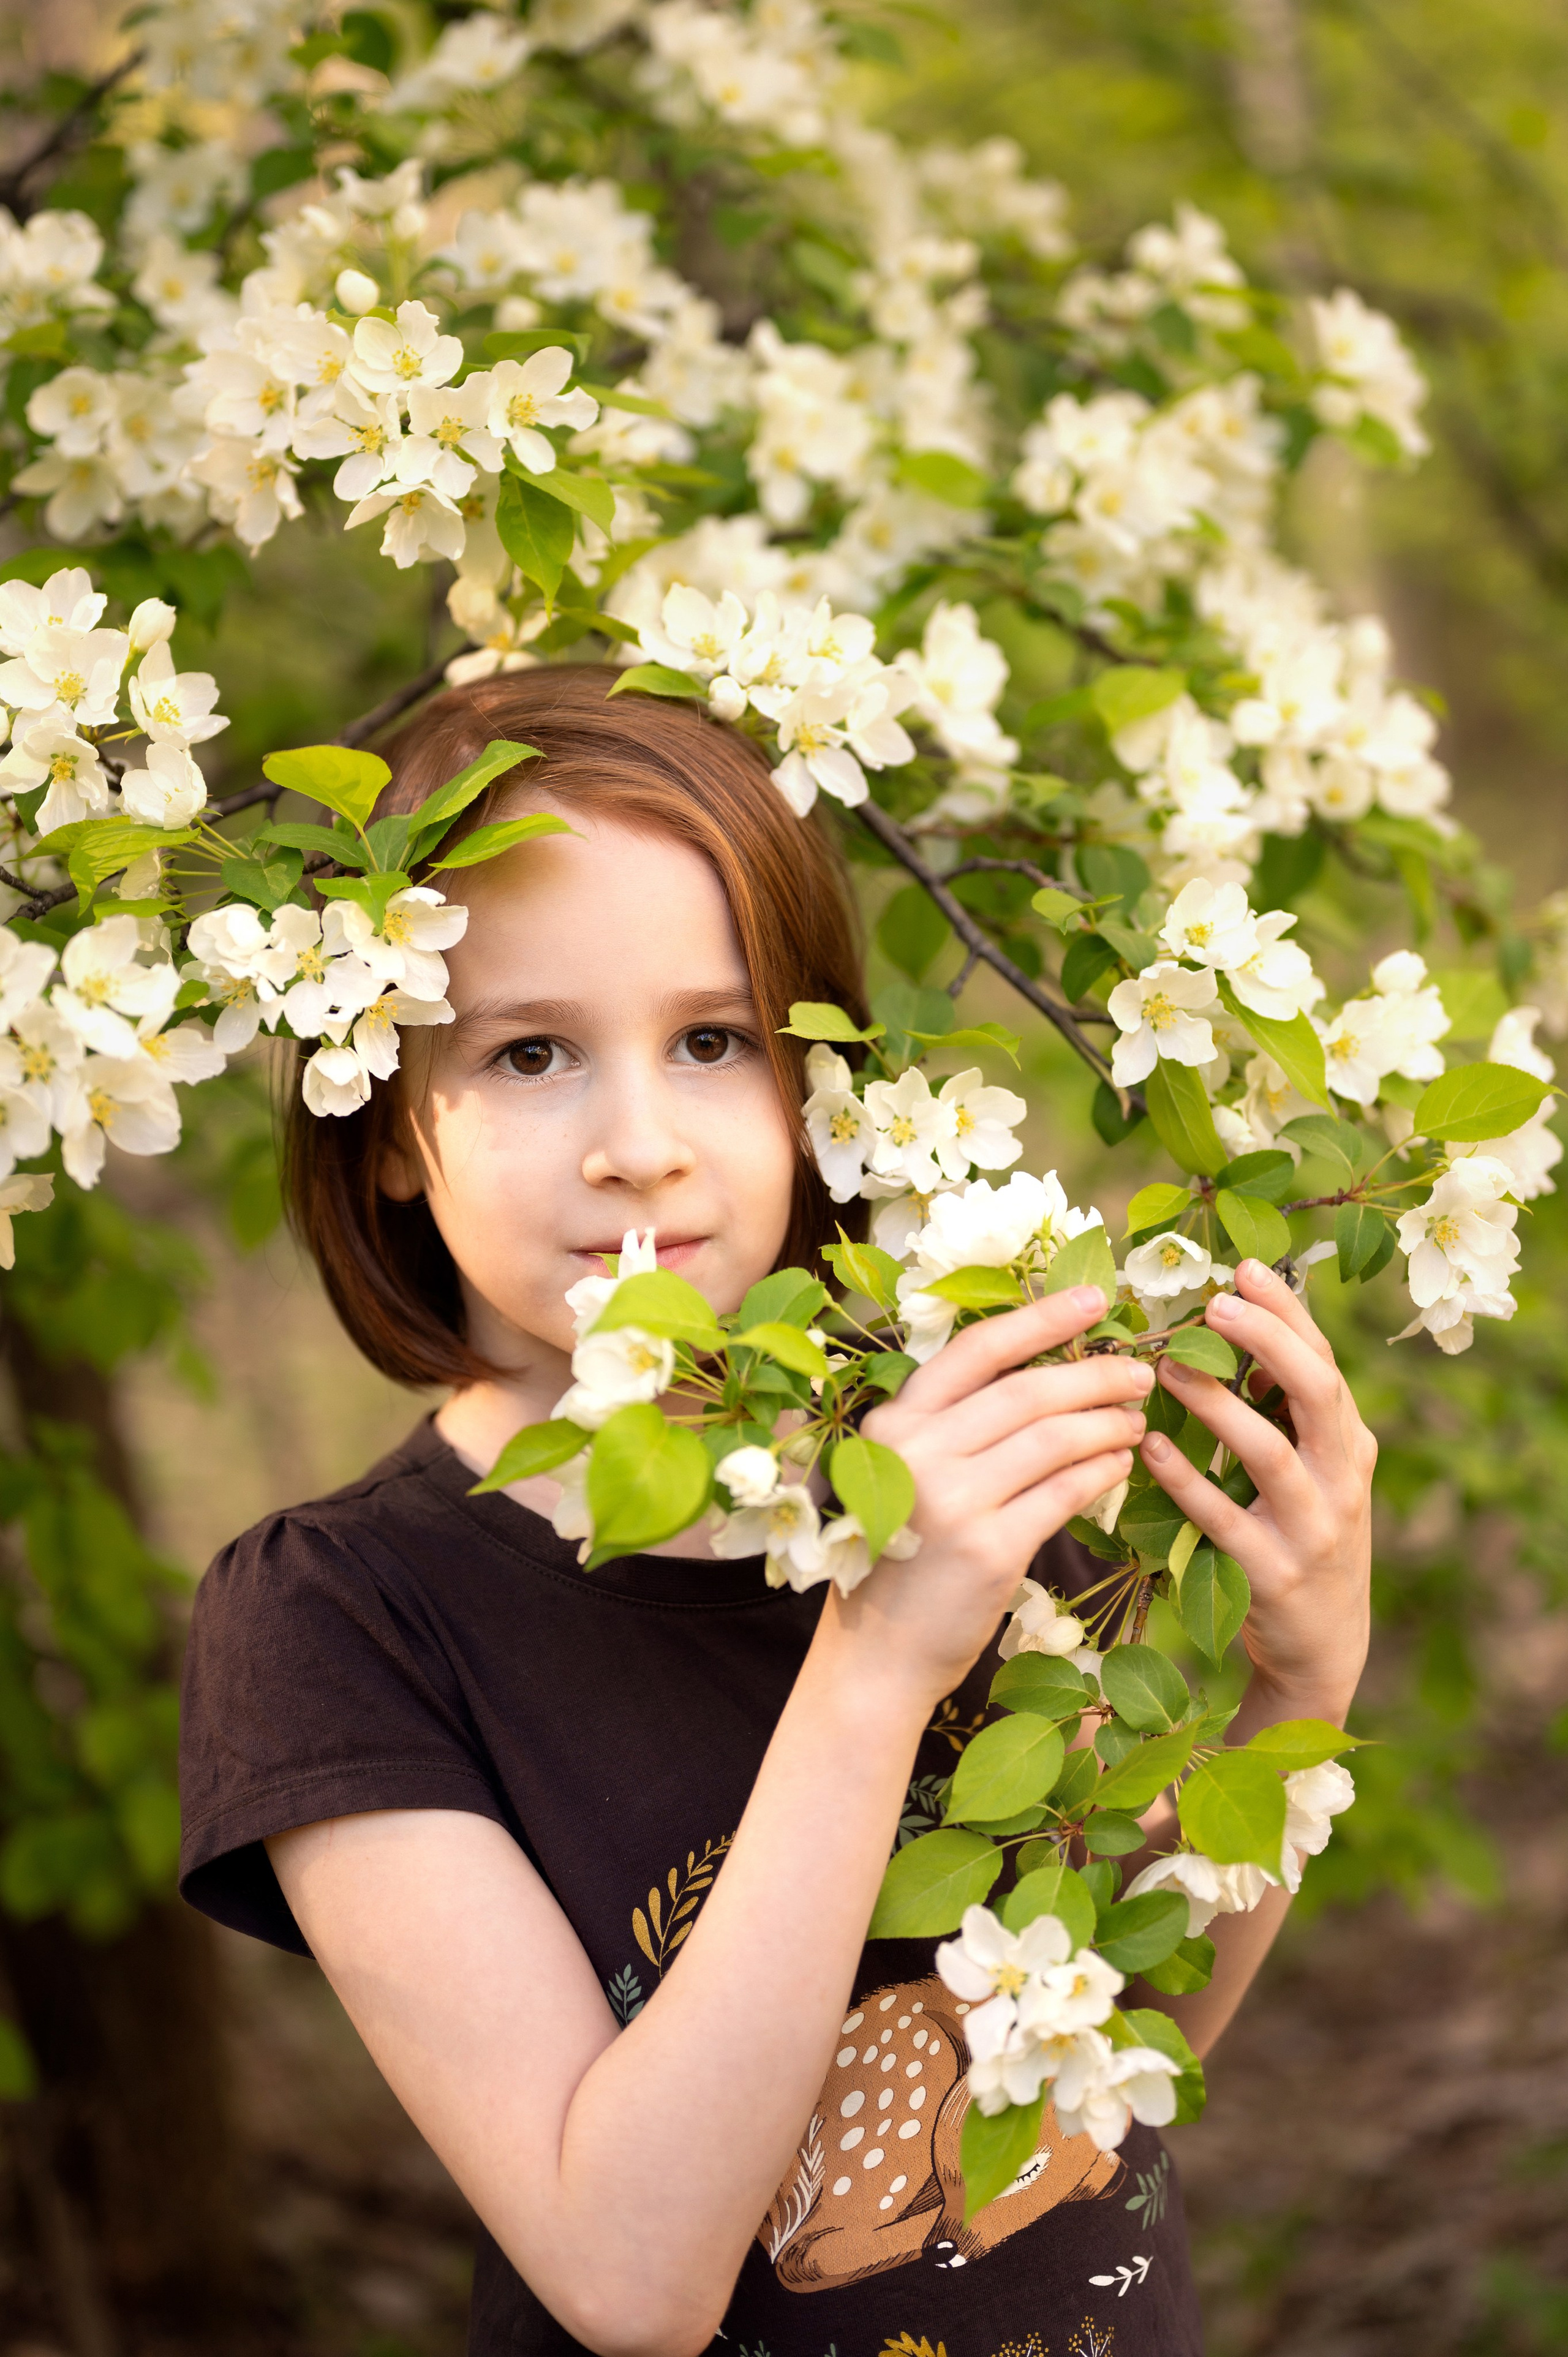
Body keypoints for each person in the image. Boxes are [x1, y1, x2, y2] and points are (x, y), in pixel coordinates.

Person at [178, 666, 1376, 2357]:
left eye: (716, 1040)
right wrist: (881, 1660)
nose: (640, 1145)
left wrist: (1293, 1690)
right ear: (380, 1114)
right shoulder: (341, 1617)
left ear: (820, 1097)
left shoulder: (959, 1457)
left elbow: (1113, 2052)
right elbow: (628, 2276)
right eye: (529, 1052)